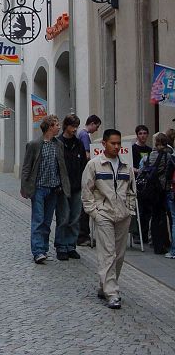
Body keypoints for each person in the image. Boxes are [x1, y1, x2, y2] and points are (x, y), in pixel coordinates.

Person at [81, 129, 136, 310]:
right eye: (113, 143)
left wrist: (130, 210)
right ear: (104, 144)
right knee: (108, 254)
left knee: (119, 256)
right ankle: (112, 293)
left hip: (122, 215)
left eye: (119, 143)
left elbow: (131, 191)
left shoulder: (126, 167)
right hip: (103, 214)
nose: (117, 146)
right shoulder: (94, 165)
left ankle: (104, 285)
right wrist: (94, 212)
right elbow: (87, 191)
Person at [20, 115, 70, 264]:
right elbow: (26, 167)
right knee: (38, 219)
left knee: (47, 221)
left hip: (54, 189)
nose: (59, 127)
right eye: (56, 125)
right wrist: (25, 187)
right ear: (49, 127)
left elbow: (61, 166)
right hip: (39, 188)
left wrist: (63, 184)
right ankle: (37, 251)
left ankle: (44, 249)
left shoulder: (58, 144)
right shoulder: (34, 144)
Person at [54, 114, 87, 261]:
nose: (75, 129)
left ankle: (71, 246)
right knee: (63, 217)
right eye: (73, 126)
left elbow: (83, 165)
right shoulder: (58, 143)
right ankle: (61, 246)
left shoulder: (78, 144)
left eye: (76, 126)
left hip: (76, 185)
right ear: (66, 126)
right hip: (62, 187)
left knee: (75, 217)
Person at [143, 132, 172, 254]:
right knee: (162, 216)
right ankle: (162, 244)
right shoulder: (167, 156)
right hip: (162, 188)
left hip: (151, 189)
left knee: (154, 217)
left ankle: (155, 243)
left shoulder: (149, 156)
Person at [77, 115, 101, 246]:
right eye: (96, 126)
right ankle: (83, 235)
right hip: (85, 174)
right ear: (92, 123)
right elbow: (87, 155)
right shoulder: (85, 135)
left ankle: (83, 234)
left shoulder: (81, 134)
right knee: (85, 205)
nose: (96, 130)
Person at [130, 125, 152, 244]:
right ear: (137, 135)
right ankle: (136, 233)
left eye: (145, 133)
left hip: (147, 184)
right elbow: (129, 165)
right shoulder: (133, 149)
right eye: (140, 133)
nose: (143, 136)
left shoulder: (150, 150)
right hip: (137, 183)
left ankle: (144, 234)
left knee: (147, 211)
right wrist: (138, 170)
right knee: (139, 210)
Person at [165, 151, 175, 258]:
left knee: (174, 221)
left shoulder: (172, 158)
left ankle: (174, 251)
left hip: (173, 192)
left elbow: (168, 175)